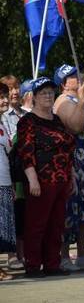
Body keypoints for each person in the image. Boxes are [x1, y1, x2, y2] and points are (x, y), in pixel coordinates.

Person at [17, 77, 76, 277]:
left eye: (51, 92)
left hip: (62, 180)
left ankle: (52, 264)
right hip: (40, 181)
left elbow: (67, 150)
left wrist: (72, 176)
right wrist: (32, 179)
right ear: (33, 97)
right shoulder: (27, 121)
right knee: (36, 225)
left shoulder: (57, 120)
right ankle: (33, 265)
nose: (48, 96)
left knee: (56, 224)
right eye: (43, 93)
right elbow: (26, 152)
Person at [53, 64, 84, 271]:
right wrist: (81, 100)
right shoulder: (63, 101)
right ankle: (63, 256)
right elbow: (76, 125)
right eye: (71, 76)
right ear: (63, 83)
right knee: (70, 208)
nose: (77, 78)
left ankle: (82, 253)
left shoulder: (81, 100)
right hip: (71, 159)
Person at [0, 83, 15, 280]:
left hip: (4, 180)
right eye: (1, 97)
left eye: (5, 96)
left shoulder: (3, 123)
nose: (4, 100)